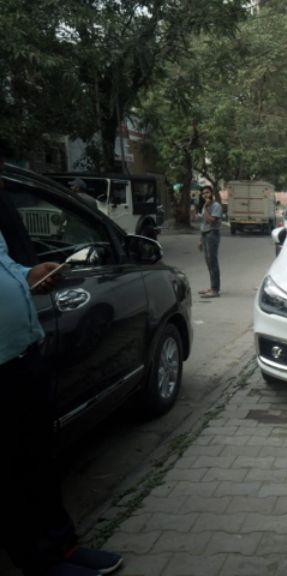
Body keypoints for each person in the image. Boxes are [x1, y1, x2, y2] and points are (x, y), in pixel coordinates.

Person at [1, 150, 123, 576]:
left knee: (39, 462)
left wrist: (27, 275)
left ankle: (63, 546)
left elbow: (6, 265)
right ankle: (39, 562)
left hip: (23, 356)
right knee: (13, 474)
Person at [198, 185, 222, 298]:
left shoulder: (216, 206)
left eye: (207, 193)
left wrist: (206, 208)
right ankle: (212, 286)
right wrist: (200, 240)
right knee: (208, 262)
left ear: (211, 193)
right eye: (203, 194)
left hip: (212, 234)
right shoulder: (205, 206)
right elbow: (203, 223)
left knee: (213, 262)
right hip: (205, 234)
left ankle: (215, 289)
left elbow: (211, 220)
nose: (205, 195)